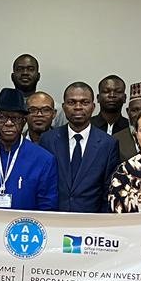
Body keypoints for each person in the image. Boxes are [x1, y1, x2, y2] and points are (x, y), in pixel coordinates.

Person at [0, 88, 58, 211]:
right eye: (2, 117)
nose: (9, 123)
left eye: (15, 118)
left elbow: (47, 206)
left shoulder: (43, 159)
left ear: (24, 121)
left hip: (24, 222)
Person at [40, 82, 120, 213]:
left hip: (91, 220)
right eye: (71, 102)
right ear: (64, 107)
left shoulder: (108, 144)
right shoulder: (48, 140)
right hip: (54, 218)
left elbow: (108, 191)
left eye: (84, 102)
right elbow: (42, 186)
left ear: (93, 107)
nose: (78, 107)